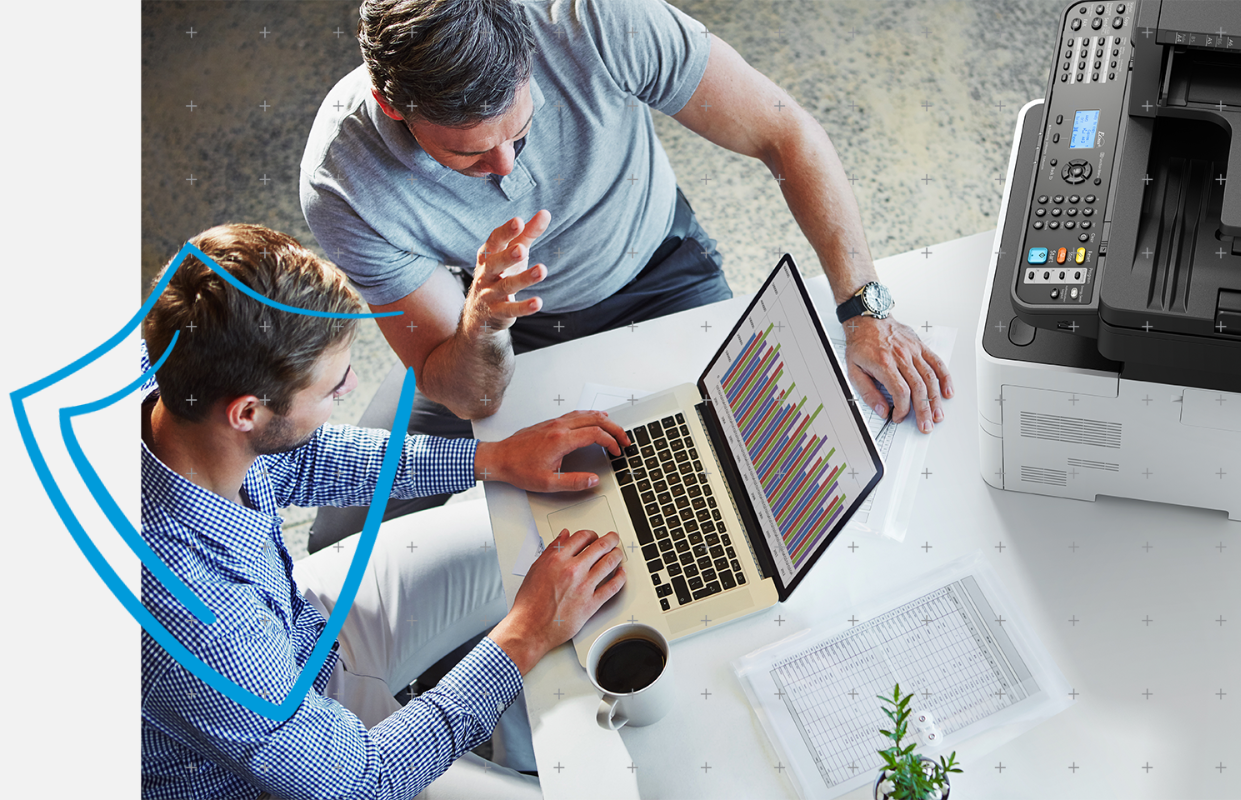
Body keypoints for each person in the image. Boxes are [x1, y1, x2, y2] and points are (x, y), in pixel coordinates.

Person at [300, 0, 954, 539]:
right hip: (491, 318)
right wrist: (486, 322)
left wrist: (865, 307)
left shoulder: (595, 20)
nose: (505, 170)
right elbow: (472, 395)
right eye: (467, 155)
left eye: (520, 133)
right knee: (344, 544)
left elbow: (785, 134)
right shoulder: (343, 181)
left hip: (659, 278)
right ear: (394, 108)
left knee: (732, 506)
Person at [139, 223, 628, 799]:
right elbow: (360, 779)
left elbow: (301, 455)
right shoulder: (194, 617)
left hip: (300, 629)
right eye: (331, 388)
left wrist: (492, 458)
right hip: (295, 770)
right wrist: (522, 636)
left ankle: (516, 746)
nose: (351, 389)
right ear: (246, 413)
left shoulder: (173, 368)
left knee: (539, 526)